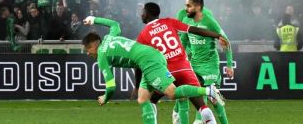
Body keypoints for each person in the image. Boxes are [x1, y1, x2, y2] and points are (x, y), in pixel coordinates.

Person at [81, 16, 225, 124]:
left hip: (148, 61)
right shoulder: (109, 36)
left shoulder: (101, 56)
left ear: (94, 44)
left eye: (88, 49)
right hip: (152, 55)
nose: (88, 53)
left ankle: (208, 91)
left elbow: (111, 87)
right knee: (143, 98)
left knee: (172, 93)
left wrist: (105, 97)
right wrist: (94, 19)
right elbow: (114, 24)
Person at [137, 2, 226, 124]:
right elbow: (194, 30)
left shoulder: (143, 35)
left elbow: (139, 60)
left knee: (149, 100)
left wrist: (137, 85)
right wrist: (217, 35)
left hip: (166, 72)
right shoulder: (169, 21)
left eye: (142, 12)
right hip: (185, 69)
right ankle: (208, 94)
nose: (141, 14)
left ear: (147, 14)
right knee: (202, 107)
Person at [178, 0, 234, 124]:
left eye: (189, 6)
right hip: (195, 64)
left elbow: (226, 42)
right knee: (195, 95)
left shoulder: (209, 21)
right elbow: (183, 43)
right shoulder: (186, 21)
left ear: (197, 7)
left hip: (210, 64)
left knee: (210, 97)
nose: (185, 9)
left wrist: (230, 65)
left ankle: (198, 121)